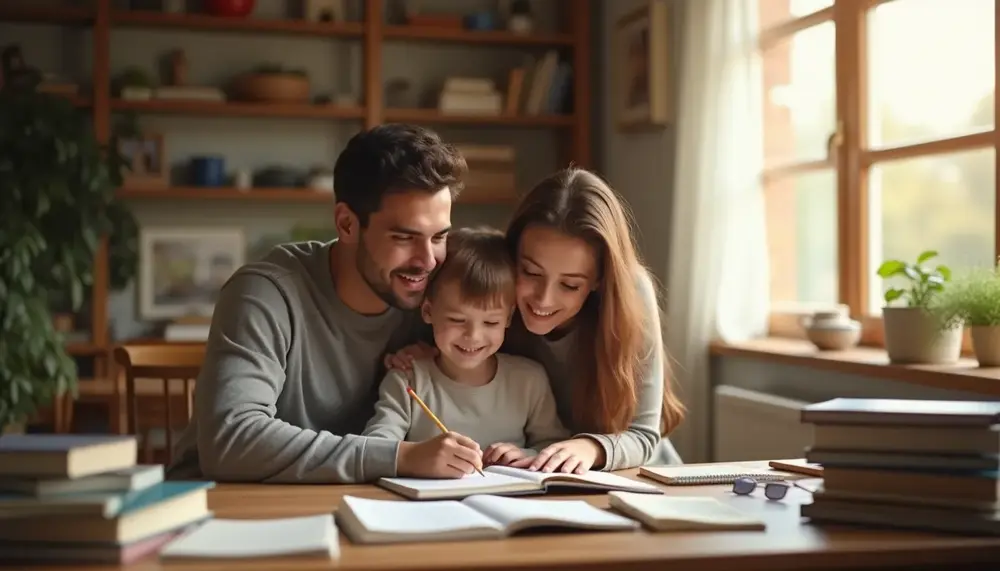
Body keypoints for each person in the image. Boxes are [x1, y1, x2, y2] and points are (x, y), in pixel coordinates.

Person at [167, 123, 487, 483]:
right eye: (404, 237)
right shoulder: (265, 292)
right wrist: (398, 457)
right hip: (220, 508)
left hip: (353, 504)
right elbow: (231, 441)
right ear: (347, 224)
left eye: (439, 237)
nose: (427, 260)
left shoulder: (436, 300)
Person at [386, 167, 686, 474]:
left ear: (599, 280)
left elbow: (644, 435)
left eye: (570, 285)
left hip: (638, 475)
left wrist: (589, 447)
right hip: (542, 475)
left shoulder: (630, 293)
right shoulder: (494, 281)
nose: (543, 300)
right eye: (530, 272)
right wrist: (432, 354)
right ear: (512, 257)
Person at [362, 227, 570, 475]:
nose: (473, 336)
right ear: (428, 311)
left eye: (490, 323)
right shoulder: (407, 379)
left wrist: (526, 455)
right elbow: (374, 448)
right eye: (457, 320)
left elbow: (553, 446)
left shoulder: (529, 380)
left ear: (508, 318)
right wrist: (416, 456)